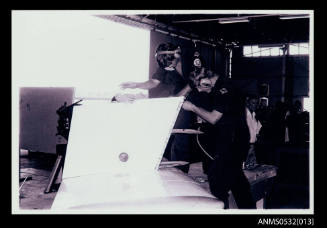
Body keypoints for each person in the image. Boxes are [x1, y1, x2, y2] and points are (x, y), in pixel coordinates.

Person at [171, 68, 256, 209]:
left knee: (217, 180)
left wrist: (193, 107)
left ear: (206, 80)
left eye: (199, 86)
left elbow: (213, 118)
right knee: (237, 182)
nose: (199, 90)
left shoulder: (225, 89)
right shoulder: (217, 87)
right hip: (231, 138)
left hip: (233, 140)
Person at [118, 42, 189, 99]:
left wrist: (178, 97)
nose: (169, 67)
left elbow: (196, 81)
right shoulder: (165, 64)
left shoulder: (190, 57)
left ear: (177, 54)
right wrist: (137, 85)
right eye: (167, 65)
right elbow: (153, 82)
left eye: (170, 63)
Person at [243, 95, 262, 170]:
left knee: (252, 168)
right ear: (247, 103)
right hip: (245, 145)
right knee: (244, 168)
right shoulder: (243, 114)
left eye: (256, 103)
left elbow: (258, 129)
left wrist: (257, 135)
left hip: (252, 146)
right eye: (253, 103)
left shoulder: (254, 114)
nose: (255, 105)